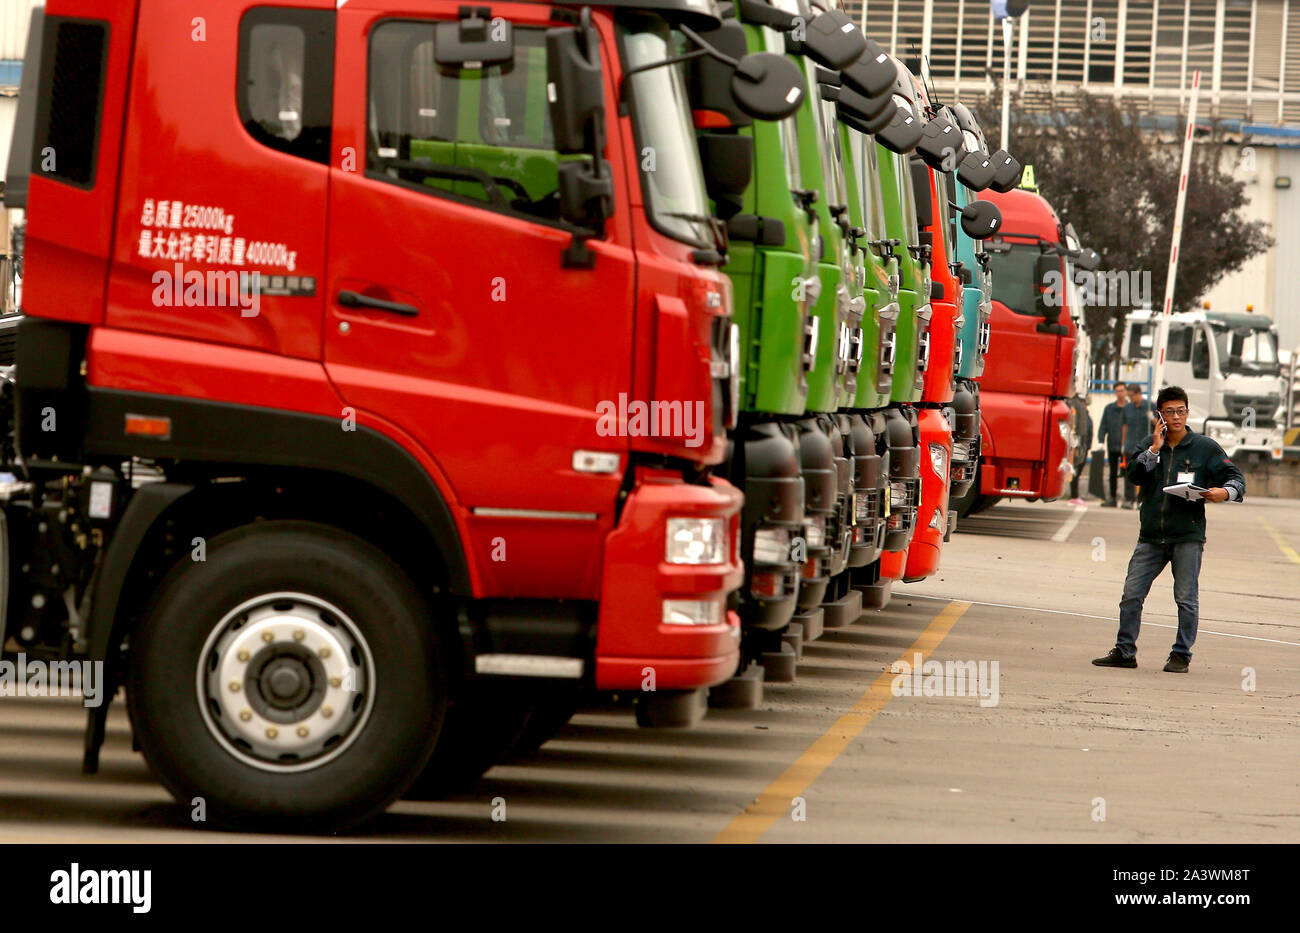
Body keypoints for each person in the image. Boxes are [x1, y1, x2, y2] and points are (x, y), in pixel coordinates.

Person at [1092, 386, 1245, 674]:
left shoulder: (1204, 448)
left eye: (1181, 411)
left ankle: (1181, 654)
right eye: (1169, 412)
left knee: (1186, 598)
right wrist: (1154, 449)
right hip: (1151, 536)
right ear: (1159, 416)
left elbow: (1236, 478)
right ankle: (1125, 651)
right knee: (1131, 594)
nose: (1176, 417)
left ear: (1187, 413)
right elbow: (1134, 474)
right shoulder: (1149, 445)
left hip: (1187, 535)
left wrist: (1224, 492)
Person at [1119, 383, 1157, 511]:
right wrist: (1123, 444)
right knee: (1130, 473)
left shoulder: (1150, 406)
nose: (1130, 398)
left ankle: (1142, 499)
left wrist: (1152, 418)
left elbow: (1158, 425)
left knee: (1146, 473)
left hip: (1145, 446)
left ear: (1138, 394)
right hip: (1130, 445)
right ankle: (1129, 499)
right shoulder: (1127, 408)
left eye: (1131, 396)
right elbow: (1125, 426)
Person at [1096, 383, 1129, 507]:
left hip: (1127, 446)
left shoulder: (1130, 408)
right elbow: (1103, 424)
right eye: (1117, 391)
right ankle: (1113, 498)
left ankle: (1128, 499)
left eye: (1122, 390)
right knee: (1113, 473)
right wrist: (1100, 440)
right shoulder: (1109, 408)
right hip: (1113, 445)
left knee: (1127, 473)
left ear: (1126, 392)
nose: (1120, 393)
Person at [1068, 400, 1092, 506]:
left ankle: (1075, 496)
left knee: (1078, 471)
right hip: (1080, 446)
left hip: (1085, 446)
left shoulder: (1086, 414)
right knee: (1075, 471)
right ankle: (1074, 496)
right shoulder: (1080, 414)